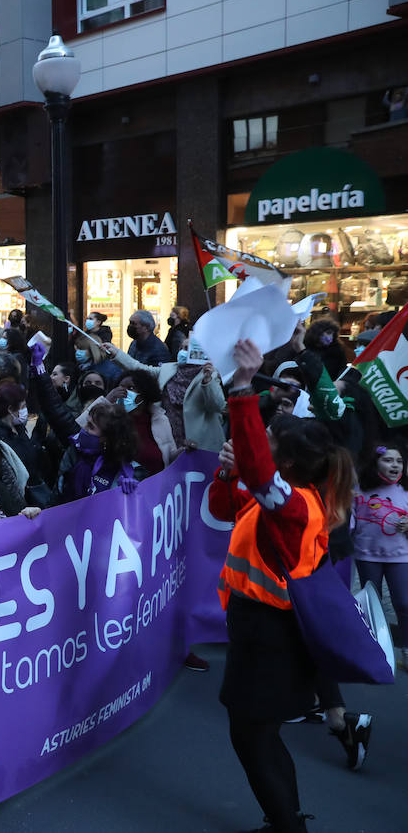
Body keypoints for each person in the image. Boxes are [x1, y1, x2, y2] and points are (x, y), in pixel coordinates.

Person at [208, 338, 363, 832]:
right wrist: (227, 473)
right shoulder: (284, 497)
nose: (263, 446)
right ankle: (286, 819)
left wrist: (241, 387)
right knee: (259, 736)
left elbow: (258, 468)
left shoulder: (293, 505)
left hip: (270, 635)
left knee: (253, 737)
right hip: (258, 630)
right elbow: (222, 508)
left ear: (288, 463)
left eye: (271, 443)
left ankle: (287, 825)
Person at [352, 442, 408, 669]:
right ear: (375, 464)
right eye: (388, 460)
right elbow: (349, 519)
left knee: (404, 604)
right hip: (367, 555)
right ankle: (371, 650)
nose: (394, 465)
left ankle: (406, 648)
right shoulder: (358, 488)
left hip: (401, 556)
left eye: (399, 461)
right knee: (370, 605)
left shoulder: (405, 488)